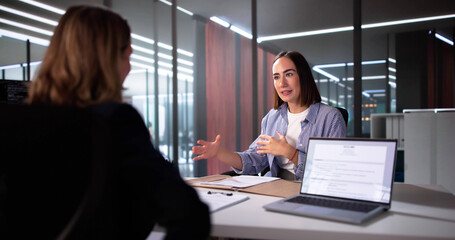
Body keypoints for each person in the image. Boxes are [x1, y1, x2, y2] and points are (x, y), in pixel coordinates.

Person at [26, 5, 210, 239]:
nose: (129, 66)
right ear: (109, 59)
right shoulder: (114, 121)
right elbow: (190, 214)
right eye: (127, 55)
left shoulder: (21, 122)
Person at [192, 51, 346, 181]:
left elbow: (333, 172)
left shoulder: (330, 118)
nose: (282, 83)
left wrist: (289, 152)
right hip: (274, 187)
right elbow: (254, 160)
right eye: (276, 77)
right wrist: (219, 153)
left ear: (303, 76)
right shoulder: (272, 117)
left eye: (289, 74)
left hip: (311, 190)